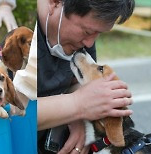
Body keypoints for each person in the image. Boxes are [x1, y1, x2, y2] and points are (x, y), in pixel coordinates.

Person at [37, 0, 135, 154]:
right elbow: (8, 112)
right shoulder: (15, 33)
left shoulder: (82, 38)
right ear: (54, 3)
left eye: (98, 33)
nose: (89, 44)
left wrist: (83, 115)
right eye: (88, 32)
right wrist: (76, 106)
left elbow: (75, 81)